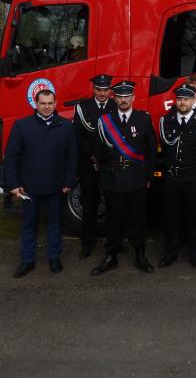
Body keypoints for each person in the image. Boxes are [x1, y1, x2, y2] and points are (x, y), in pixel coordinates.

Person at [4, 89, 77, 277]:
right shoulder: (22, 126)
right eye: (43, 103)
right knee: (29, 225)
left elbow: (72, 157)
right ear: (36, 104)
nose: (46, 107)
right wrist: (13, 184)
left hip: (56, 186)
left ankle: (54, 258)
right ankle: (27, 261)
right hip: (28, 188)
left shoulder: (66, 126)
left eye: (50, 103)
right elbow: (11, 158)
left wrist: (69, 181)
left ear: (55, 103)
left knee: (55, 224)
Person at [92, 80, 157, 276]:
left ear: (133, 97)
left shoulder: (143, 118)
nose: (123, 100)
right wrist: (106, 170)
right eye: (120, 96)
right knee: (113, 220)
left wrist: (149, 176)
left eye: (127, 96)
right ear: (115, 98)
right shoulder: (105, 120)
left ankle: (140, 255)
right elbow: (98, 150)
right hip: (113, 177)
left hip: (136, 177)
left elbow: (151, 150)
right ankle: (111, 256)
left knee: (137, 219)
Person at [158, 84, 196, 269]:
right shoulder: (167, 120)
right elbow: (165, 147)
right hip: (172, 177)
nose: (182, 102)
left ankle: (195, 254)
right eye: (179, 99)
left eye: (186, 99)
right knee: (171, 218)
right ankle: (170, 253)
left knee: (195, 218)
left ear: (193, 100)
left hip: (194, 178)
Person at [73, 74, 116, 259]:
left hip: (110, 163)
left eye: (105, 90)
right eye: (99, 89)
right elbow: (78, 135)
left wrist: (105, 157)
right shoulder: (83, 107)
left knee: (113, 203)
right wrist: (92, 155)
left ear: (110, 90)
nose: (102, 93)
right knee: (89, 203)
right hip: (88, 163)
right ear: (93, 89)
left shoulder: (116, 106)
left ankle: (114, 242)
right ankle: (87, 243)